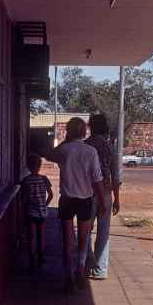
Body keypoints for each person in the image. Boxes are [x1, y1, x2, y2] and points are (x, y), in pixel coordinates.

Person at [45, 117, 106, 294]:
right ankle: (80, 268)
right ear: (83, 132)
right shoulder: (90, 151)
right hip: (85, 200)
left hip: (67, 199)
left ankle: (69, 277)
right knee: (83, 238)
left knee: (67, 240)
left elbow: (49, 154)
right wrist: (102, 202)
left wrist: (65, 141)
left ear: (69, 131)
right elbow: (98, 179)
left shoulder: (63, 150)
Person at [85, 113, 121, 280]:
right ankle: (100, 270)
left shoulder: (85, 146)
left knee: (85, 229)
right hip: (106, 192)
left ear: (91, 126)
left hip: (86, 192)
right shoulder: (110, 147)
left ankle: (86, 261)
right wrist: (117, 199)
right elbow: (116, 176)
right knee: (104, 231)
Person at [20, 153, 53, 269]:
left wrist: (25, 205)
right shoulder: (44, 179)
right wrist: (45, 205)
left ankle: (31, 258)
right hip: (42, 212)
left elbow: (23, 198)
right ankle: (41, 257)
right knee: (42, 235)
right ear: (39, 166)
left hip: (30, 212)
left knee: (32, 236)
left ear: (28, 166)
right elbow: (51, 195)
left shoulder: (26, 181)